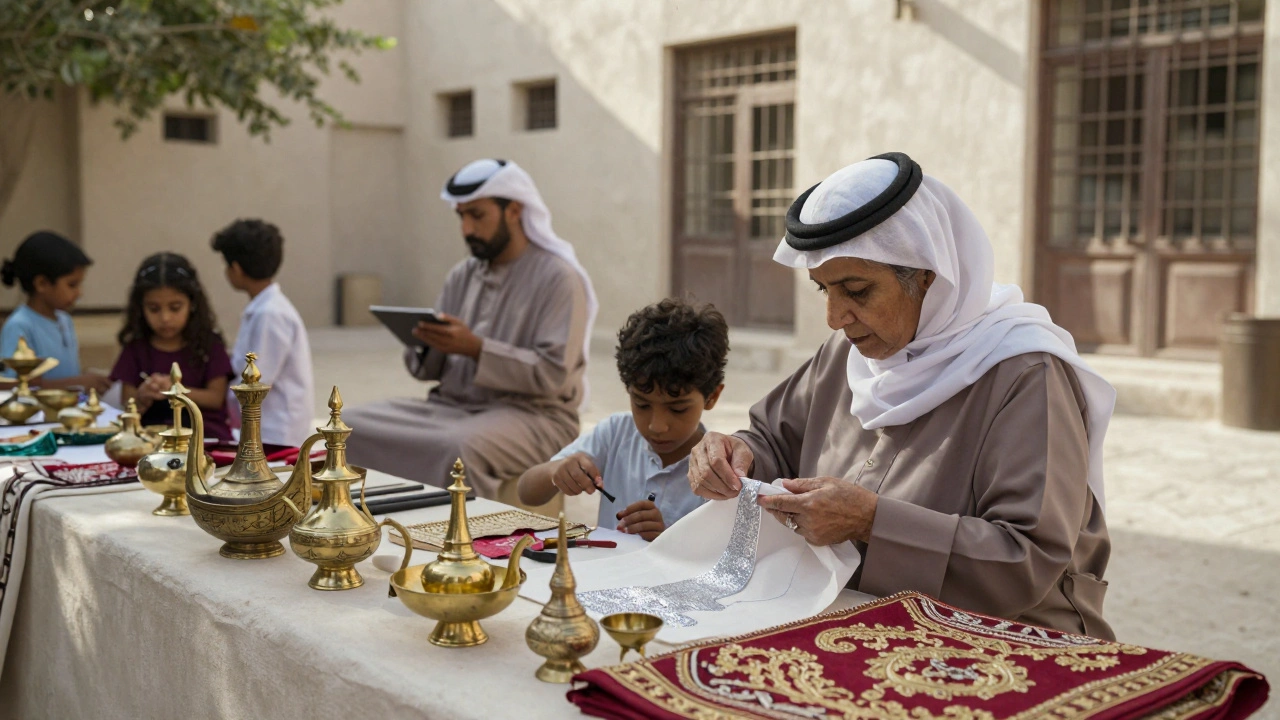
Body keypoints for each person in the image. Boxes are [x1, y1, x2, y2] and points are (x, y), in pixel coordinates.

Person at [687, 153, 1118, 639]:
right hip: (854, 615)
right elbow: (772, 438)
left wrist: (870, 521)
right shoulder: (847, 354)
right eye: (823, 290)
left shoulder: (1025, 376)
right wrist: (736, 453)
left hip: (1007, 637)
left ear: (928, 277)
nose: (835, 317)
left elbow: (1026, 558)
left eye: (856, 290)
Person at [344, 159, 598, 498]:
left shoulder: (558, 278)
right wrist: (427, 342)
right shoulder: (462, 275)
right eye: (461, 216)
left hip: (535, 417)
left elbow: (552, 375)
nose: (466, 229)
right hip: (451, 408)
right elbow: (427, 371)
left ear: (514, 211)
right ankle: (373, 526)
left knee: (458, 448)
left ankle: (460, 543)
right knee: (345, 427)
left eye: (477, 215)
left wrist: (476, 348)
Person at [518, 299, 727, 539]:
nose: (656, 426)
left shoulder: (717, 468)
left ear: (712, 397)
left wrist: (666, 539)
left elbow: (716, 558)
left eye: (677, 409)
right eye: (641, 404)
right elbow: (527, 492)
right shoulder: (615, 433)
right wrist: (556, 471)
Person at [109, 253, 235, 440]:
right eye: (154, 309)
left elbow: (215, 398)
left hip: (204, 439)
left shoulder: (209, 345)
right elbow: (128, 402)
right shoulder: (136, 348)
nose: (165, 318)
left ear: (192, 304)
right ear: (140, 308)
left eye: (175, 308)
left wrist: (175, 390)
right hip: (152, 441)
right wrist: (143, 394)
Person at [211, 219, 314, 447]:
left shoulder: (270, 314)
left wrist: (217, 403)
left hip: (275, 433)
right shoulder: (264, 309)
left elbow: (256, 382)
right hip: (264, 427)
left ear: (235, 268)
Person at [0, 231, 111, 391]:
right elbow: (7, 384)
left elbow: (62, 373)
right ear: (42, 284)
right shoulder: (20, 325)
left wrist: (88, 377)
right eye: (72, 285)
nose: (79, 293)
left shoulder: (64, 319)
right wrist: (77, 383)